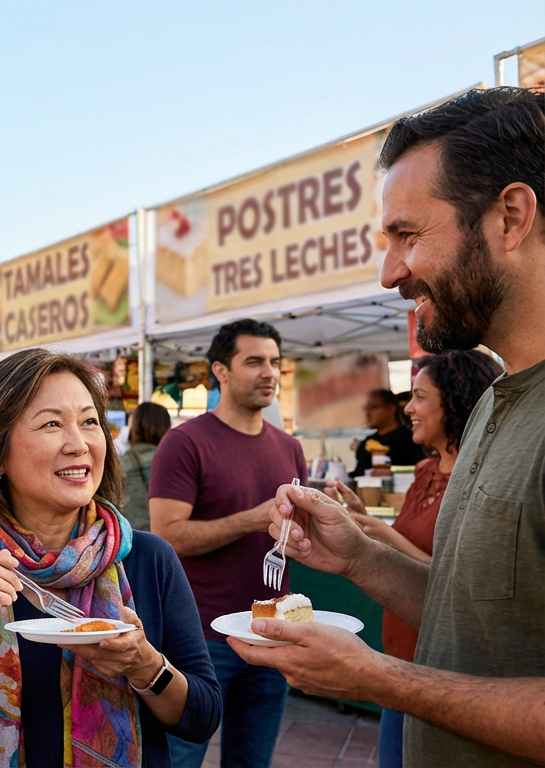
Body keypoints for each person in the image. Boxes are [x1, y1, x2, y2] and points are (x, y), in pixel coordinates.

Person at [231, 88, 545, 766]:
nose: (388, 273)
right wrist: (358, 557)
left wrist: (379, 679)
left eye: (408, 235)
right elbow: (476, 619)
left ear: (512, 217)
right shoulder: (497, 400)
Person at [0, 349, 220, 767]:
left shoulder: (149, 559)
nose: (79, 443)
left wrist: (144, 665)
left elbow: (201, 718)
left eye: (89, 422)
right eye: (52, 424)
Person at [323, 350, 499, 767]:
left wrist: (382, 534)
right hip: (400, 656)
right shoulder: (425, 471)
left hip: (448, 672)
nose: (408, 408)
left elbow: (456, 578)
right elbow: (410, 550)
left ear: (454, 400)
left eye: (419, 397)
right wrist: (365, 522)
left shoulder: (485, 477)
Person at [148, 318, 307, 768]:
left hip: (272, 630)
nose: (269, 373)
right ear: (220, 370)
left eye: (275, 362)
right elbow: (168, 536)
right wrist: (252, 519)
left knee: (252, 760)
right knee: (178, 758)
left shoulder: (289, 447)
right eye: (254, 361)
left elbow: (293, 536)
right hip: (201, 634)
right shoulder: (185, 443)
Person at [119, 402, 171, 532]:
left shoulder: (120, 464)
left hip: (129, 540)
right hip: (166, 541)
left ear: (134, 427)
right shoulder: (176, 461)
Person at [350, 389, 424, 476]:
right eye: (366, 408)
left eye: (374, 407)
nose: (368, 413)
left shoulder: (411, 441)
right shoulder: (367, 442)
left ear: (391, 409)